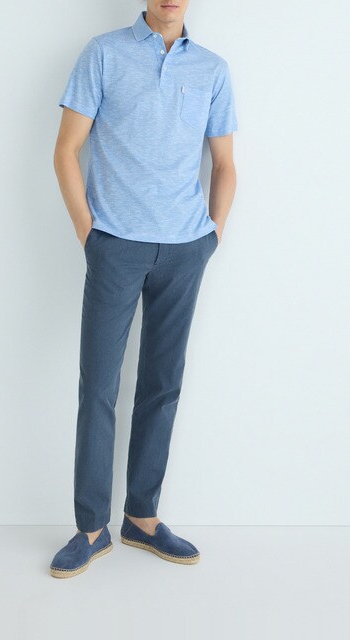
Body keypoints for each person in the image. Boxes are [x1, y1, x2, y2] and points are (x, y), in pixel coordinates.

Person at [50, 0, 238, 578]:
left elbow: (224, 163)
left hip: (185, 249)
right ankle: (90, 528)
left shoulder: (212, 69)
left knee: (162, 386)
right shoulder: (103, 54)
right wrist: (89, 233)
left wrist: (211, 237)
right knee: (99, 387)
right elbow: (66, 149)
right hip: (115, 246)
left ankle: (142, 517)